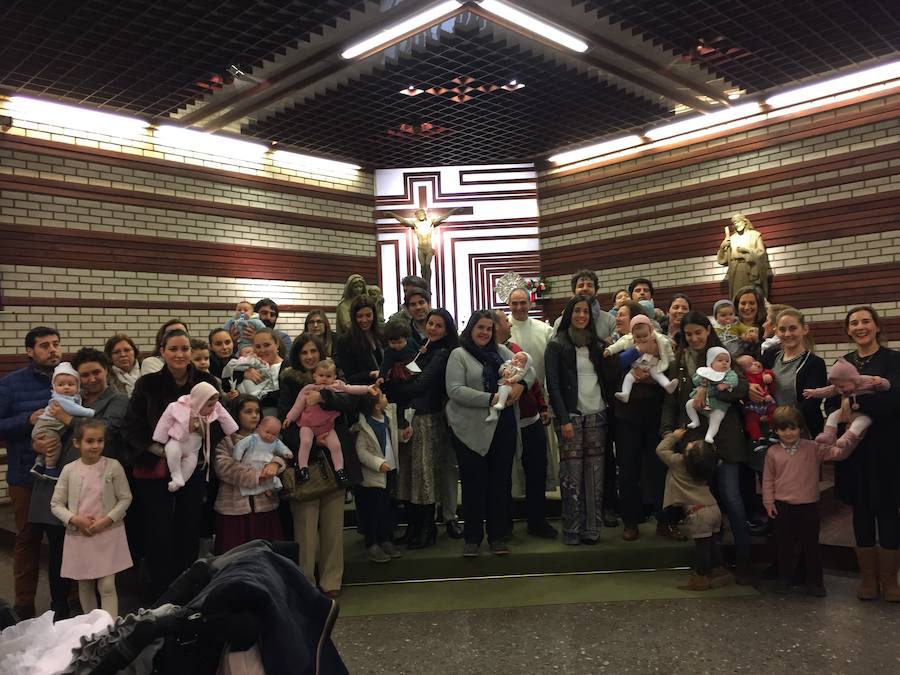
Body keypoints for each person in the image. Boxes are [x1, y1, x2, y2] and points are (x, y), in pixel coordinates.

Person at [121, 328, 224, 602]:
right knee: (157, 529)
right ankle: (159, 594)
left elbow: (221, 421)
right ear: (162, 352)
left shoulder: (206, 381)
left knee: (189, 527)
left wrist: (202, 429)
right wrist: (160, 450)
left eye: (185, 349)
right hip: (155, 466)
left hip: (192, 465)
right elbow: (131, 427)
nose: (180, 354)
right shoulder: (147, 384)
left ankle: (187, 592)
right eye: (173, 349)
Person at [27, 347, 129, 621]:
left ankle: (101, 618)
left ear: (106, 371)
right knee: (60, 549)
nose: (91, 379)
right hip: (59, 481)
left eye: (97, 372)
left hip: (97, 488)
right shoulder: (71, 395)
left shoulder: (117, 400)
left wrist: (67, 419)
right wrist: (38, 442)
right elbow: (46, 428)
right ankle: (59, 606)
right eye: (85, 374)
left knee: (97, 559)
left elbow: (106, 430)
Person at [660, 311, 753, 583]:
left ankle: (744, 560)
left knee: (732, 499)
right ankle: (712, 561)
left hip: (725, 439)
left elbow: (742, 388)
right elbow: (671, 401)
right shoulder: (678, 363)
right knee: (703, 505)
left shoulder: (721, 356)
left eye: (698, 332)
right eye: (688, 334)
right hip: (696, 445)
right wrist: (667, 430)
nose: (694, 338)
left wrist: (711, 387)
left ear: (707, 331)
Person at [278, 334, 362, 597]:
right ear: (297, 356)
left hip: (335, 460)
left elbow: (351, 404)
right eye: (304, 352)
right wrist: (314, 442)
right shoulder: (290, 381)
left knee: (333, 525)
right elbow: (286, 420)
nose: (310, 356)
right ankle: (306, 581)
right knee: (305, 528)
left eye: (313, 351)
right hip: (308, 458)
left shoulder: (334, 377)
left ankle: (331, 579)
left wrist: (324, 398)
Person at [446, 310, 533, 556]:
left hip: (502, 428)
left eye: (488, 328)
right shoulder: (459, 355)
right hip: (470, 430)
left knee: (500, 484)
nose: (484, 332)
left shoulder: (502, 352)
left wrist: (521, 385)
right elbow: (455, 390)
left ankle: (497, 536)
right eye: (480, 327)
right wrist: (491, 398)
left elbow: (530, 370)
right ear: (471, 329)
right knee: (473, 485)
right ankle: (472, 538)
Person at [830, 306, 900, 601]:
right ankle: (868, 579)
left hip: (886, 448)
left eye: (866, 321)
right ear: (848, 330)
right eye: (854, 323)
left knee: (888, 511)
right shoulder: (843, 363)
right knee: (860, 511)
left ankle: (891, 581)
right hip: (855, 451)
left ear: (876, 326)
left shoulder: (893, 359)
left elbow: (894, 399)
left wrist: (853, 405)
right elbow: (830, 400)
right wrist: (841, 409)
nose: (860, 327)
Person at [763, 406, 862, 596]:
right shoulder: (772, 452)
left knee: (811, 546)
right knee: (783, 546)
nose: (788, 433)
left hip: (808, 506)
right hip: (782, 507)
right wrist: (769, 503)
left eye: (793, 428)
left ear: (800, 428)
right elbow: (768, 480)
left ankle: (815, 582)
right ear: (776, 431)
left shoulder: (813, 447)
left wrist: (853, 437)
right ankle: (784, 578)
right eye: (783, 429)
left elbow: (839, 453)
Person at [383, 309, 459, 546]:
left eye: (438, 325)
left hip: (427, 418)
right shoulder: (422, 348)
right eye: (430, 323)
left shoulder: (442, 352)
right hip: (409, 416)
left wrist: (392, 387)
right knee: (408, 473)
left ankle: (428, 529)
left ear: (447, 330)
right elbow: (409, 375)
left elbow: (420, 384)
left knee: (424, 474)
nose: (432, 328)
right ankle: (413, 526)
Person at [0, 326, 61, 619]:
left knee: (64, 539)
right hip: (25, 476)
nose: (53, 350)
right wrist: (28, 419)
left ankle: (70, 600)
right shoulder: (11, 384)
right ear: (30, 351)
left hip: (62, 475)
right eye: (44, 345)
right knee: (28, 539)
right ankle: (24, 607)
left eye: (56, 344)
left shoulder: (69, 379)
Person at [545, 295, 616, 545]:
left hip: (597, 415)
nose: (582, 315)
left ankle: (592, 528)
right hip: (570, 417)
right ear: (569, 314)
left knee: (594, 476)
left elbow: (609, 374)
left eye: (586, 311)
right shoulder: (557, 344)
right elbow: (553, 385)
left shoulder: (597, 344)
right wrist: (563, 418)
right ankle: (572, 529)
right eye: (577, 311)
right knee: (571, 476)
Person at [50, 418, 133, 618]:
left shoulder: (113, 467)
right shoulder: (69, 470)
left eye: (100, 440)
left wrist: (107, 520)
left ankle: (110, 628)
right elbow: (56, 504)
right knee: (85, 584)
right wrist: (75, 519)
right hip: (80, 537)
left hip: (108, 534)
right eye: (89, 441)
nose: (96, 445)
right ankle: (92, 627)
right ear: (77, 443)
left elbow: (125, 498)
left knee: (107, 585)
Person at [493, 310, 556, 539]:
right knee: (503, 476)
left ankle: (537, 521)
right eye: (505, 321)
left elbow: (533, 378)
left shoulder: (516, 350)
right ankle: (504, 524)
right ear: (495, 326)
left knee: (537, 472)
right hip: (503, 423)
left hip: (531, 419)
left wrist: (542, 406)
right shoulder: (488, 354)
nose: (510, 324)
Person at [656, 428, 730, 591]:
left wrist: (673, 437)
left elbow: (661, 450)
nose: (690, 443)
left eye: (692, 445)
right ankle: (720, 571)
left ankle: (700, 577)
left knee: (702, 548)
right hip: (713, 507)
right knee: (713, 543)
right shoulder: (706, 466)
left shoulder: (678, 462)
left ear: (688, 455)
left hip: (698, 513)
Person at [283, 358, 376, 486]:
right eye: (321, 375)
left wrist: (367, 389)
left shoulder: (336, 387)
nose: (324, 379)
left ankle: (340, 471)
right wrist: (290, 418)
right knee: (306, 442)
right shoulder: (308, 389)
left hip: (327, 427)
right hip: (308, 425)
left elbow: (351, 389)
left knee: (336, 446)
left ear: (334, 377)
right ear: (314, 376)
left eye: (328, 376)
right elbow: (298, 406)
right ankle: (303, 468)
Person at [213, 395, 286, 555]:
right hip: (235, 510)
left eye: (257, 412)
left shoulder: (267, 439)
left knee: (266, 556)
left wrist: (275, 464)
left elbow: (281, 456)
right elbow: (224, 468)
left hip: (264, 507)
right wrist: (258, 474)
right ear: (237, 414)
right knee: (235, 557)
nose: (254, 416)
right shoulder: (228, 441)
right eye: (248, 412)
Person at [152, 382, 238, 492]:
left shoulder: (214, 407)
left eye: (214, 404)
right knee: (173, 452)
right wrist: (160, 437)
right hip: (177, 441)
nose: (213, 408)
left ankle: (178, 482)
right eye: (209, 405)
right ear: (199, 401)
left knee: (191, 464)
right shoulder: (177, 406)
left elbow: (225, 417)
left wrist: (232, 429)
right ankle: (176, 474)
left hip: (193, 450)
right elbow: (165, 421)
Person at [759, 309, 826, 439]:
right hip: (771, 432)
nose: (787, 334)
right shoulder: (770, 356)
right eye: (782, 329)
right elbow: (753, 377)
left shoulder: (815, 364)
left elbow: (811, 404)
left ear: (804, 329)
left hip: (802, 432)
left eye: (793, 328)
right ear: (776, 332)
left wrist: (783, 423)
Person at [354, 392, 403, 563]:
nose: (385, 397)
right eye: (382, 396)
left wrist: (402, 435)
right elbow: (361, 451)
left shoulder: (388, 418)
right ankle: (372, 542)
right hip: (373, 476)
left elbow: (392, 437)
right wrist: (378, 463)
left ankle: (386, 539)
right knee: (373, 510)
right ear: (375, 406)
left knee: (387, 508)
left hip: (389, 471)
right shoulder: (365, 426)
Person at [30, 362, 96, 480]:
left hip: (49, 428)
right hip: (47, 427)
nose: (66, 387)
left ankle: (39, 465)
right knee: (54, 445)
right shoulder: (61, 399)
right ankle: (50, 469)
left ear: (77, 386)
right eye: (61, 384)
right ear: (54, 386)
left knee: (48, 447)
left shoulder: (72, 397)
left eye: (70, 384)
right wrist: (90, 412)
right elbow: (74, 409)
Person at [803, 358, 889, 446]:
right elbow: (827, 391)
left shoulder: (865, 380)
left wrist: (880, 382)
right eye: (836, 387)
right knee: (832, 416)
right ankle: (828, 435)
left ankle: (847, 439)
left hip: (863, 413)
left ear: (853, 380)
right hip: (845, 412)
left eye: (842, 387)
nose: (839, 390)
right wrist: (814, 392)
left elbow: (886, 386)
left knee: (861, 422)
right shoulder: (838, 386)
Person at [606, 314, 678, 402]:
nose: (642, 339)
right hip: (637, 366)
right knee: (628, 378)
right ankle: (625, 393)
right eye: (638, 337)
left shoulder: (657, 339)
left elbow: (666, 346)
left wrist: (671, 359)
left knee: (658, 374)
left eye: (645, 336)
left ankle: (667, 385)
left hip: (652, 366)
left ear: (650, 331)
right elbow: (618, 345)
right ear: (632, 334)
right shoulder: (628, 340)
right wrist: (609, 350)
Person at [384, 208, 463, 286]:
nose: (420, 215)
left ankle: (428, 284)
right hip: (420, 248)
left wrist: (454, 210)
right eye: (418, 214)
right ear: (417, 216)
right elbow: (403, 220)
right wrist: (391, 214)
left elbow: (443, 217)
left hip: (429, 248)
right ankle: (424, 283)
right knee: (422, 266)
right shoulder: (415, 223)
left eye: (421, 213)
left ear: (425, 214)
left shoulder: (430, 222)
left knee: (427, 265)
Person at [685, 347, 739, 444]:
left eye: (727, 361)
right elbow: (695, 380)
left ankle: (710, 435)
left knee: (717, 417)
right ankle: (695, 420)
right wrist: (703, 380)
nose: (724, 363)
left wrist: (726, 384)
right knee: (689, 404)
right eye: (720, 360)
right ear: (711, 362)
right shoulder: (705, 371)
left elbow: (734, 380)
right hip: (701, 401)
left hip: (718, 404)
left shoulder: (729, 373)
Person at [231, 415, 292, 496]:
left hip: (266, 466)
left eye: (274, 434)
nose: (270, 436)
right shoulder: (253, 438)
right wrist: (237, 456)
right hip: (251, 464)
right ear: (259, 428)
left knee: (271, 481)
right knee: (251, 481)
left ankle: (269, 490)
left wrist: (286, 452)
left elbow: (282, 447)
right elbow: (241, 445)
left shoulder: (275, 442)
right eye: (267, 432)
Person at [717, 213, 773, 299]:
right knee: (738, 295)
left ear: (745, 222)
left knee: (752, 293)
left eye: (738, 221)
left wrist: (747, 250)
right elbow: (723, 260)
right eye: (735, 223)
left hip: (751, 268)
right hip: (736, 270)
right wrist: (722, 246)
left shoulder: (755, 235)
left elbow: (761, 253)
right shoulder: (731, 238)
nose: (737, 224)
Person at [552, 270, 615, 343]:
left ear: (596, 292)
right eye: (581, 285)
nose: (585, 288)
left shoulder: (610, 321)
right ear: (574, 292)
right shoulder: (559, 323)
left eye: (589, 285)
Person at [335, 295, 386, 385]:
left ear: (374, 315)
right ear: (353, 317)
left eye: (368, 315)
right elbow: (349, 377)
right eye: (359, 316)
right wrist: (370, 374)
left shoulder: (382, 335)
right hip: (363, 389)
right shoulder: (345, 341)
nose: (364, 320)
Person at [735, 355, 776, 441]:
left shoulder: (764, 372)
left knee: (774, 413)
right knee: (751, 420)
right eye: (750, 365)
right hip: (753, 405)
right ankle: (757, 438)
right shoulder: (746, 379)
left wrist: (769, 376)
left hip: (767, 402)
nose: (756, 364)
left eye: (754, 360)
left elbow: (770, 373)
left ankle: (773, 430)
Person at [249, 328, 285, 416]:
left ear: (277, 344)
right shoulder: (251, 366)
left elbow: (284, 396)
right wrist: (244, 374)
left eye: (267, 345)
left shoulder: (288, 367)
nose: (262, 350)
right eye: (258, 347)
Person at [487, 351, 531, 422]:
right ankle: (493, 414)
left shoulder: (520, 370)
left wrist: (511, 380)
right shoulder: (508, 363)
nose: (516, 361)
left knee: (504, 389)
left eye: (520, 361)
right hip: (502, 383)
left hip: (510, 385)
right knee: (494, 400)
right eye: (515, 358)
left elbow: (518, 376)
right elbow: (501, 367)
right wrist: (504, 370)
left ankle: (501, 403)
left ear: (525, 366)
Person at [732, 285, 766, 358]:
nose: (747, 307)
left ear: (759, 305)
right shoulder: (728, 327)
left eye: (751, 303)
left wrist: (756, 343)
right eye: (743, 303)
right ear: (737, 305)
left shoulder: (766, 327)